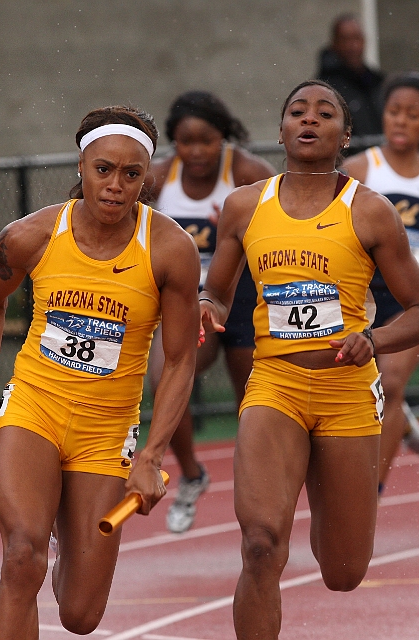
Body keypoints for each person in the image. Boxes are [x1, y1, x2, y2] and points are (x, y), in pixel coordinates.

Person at [0, 106, 201, 638]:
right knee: (21, 556)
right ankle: (41, 540)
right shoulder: (29, 235)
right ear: (81, 167)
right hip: (34, 405)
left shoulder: (170, 248)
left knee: (82, 616)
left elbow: (179, 360)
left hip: (108, 431)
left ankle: (67, 545)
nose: (115, 185)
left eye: (131, 175)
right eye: (103, 169)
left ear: (145, 179)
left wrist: (151, 456)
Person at [199, 80, 419, 639]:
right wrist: (206, 307)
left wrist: (374, 341)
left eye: (325, 113)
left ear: (345, 135)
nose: (309, 119)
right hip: (274, 385)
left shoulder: (371, 212)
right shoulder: (243, 206)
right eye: (297, 112)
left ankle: (322, 490)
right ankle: (282, 502)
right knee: (259, 546)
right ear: (281, 129)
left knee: (344, 571)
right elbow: (218, 291)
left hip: (346, 391)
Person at [145, 91, 275, 533]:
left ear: (224, 135)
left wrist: (244, 228)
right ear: (174, 143)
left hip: (243, 298)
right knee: (165, 381)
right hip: (186, 301)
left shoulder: (248, 173)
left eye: (207, 140)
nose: (197, 151)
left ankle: (263, 493)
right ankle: (192, 475)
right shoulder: (159, 179)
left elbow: (287, 223)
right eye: (186, 141)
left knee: (254, 405)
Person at [343, 72, 419, 492]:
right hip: (364, 295)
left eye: (413, 115)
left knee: (390, 384)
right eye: (394, 112)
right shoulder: (360, 169)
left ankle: (370, 491)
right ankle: (403, 420)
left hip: (414, 297)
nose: (400, 122)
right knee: (362, 383)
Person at [316, 13, 384, 140]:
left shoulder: (376, 83)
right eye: (346, 39)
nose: (353, 46)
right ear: (334, 43)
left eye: (357, 38)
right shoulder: (324, 88)